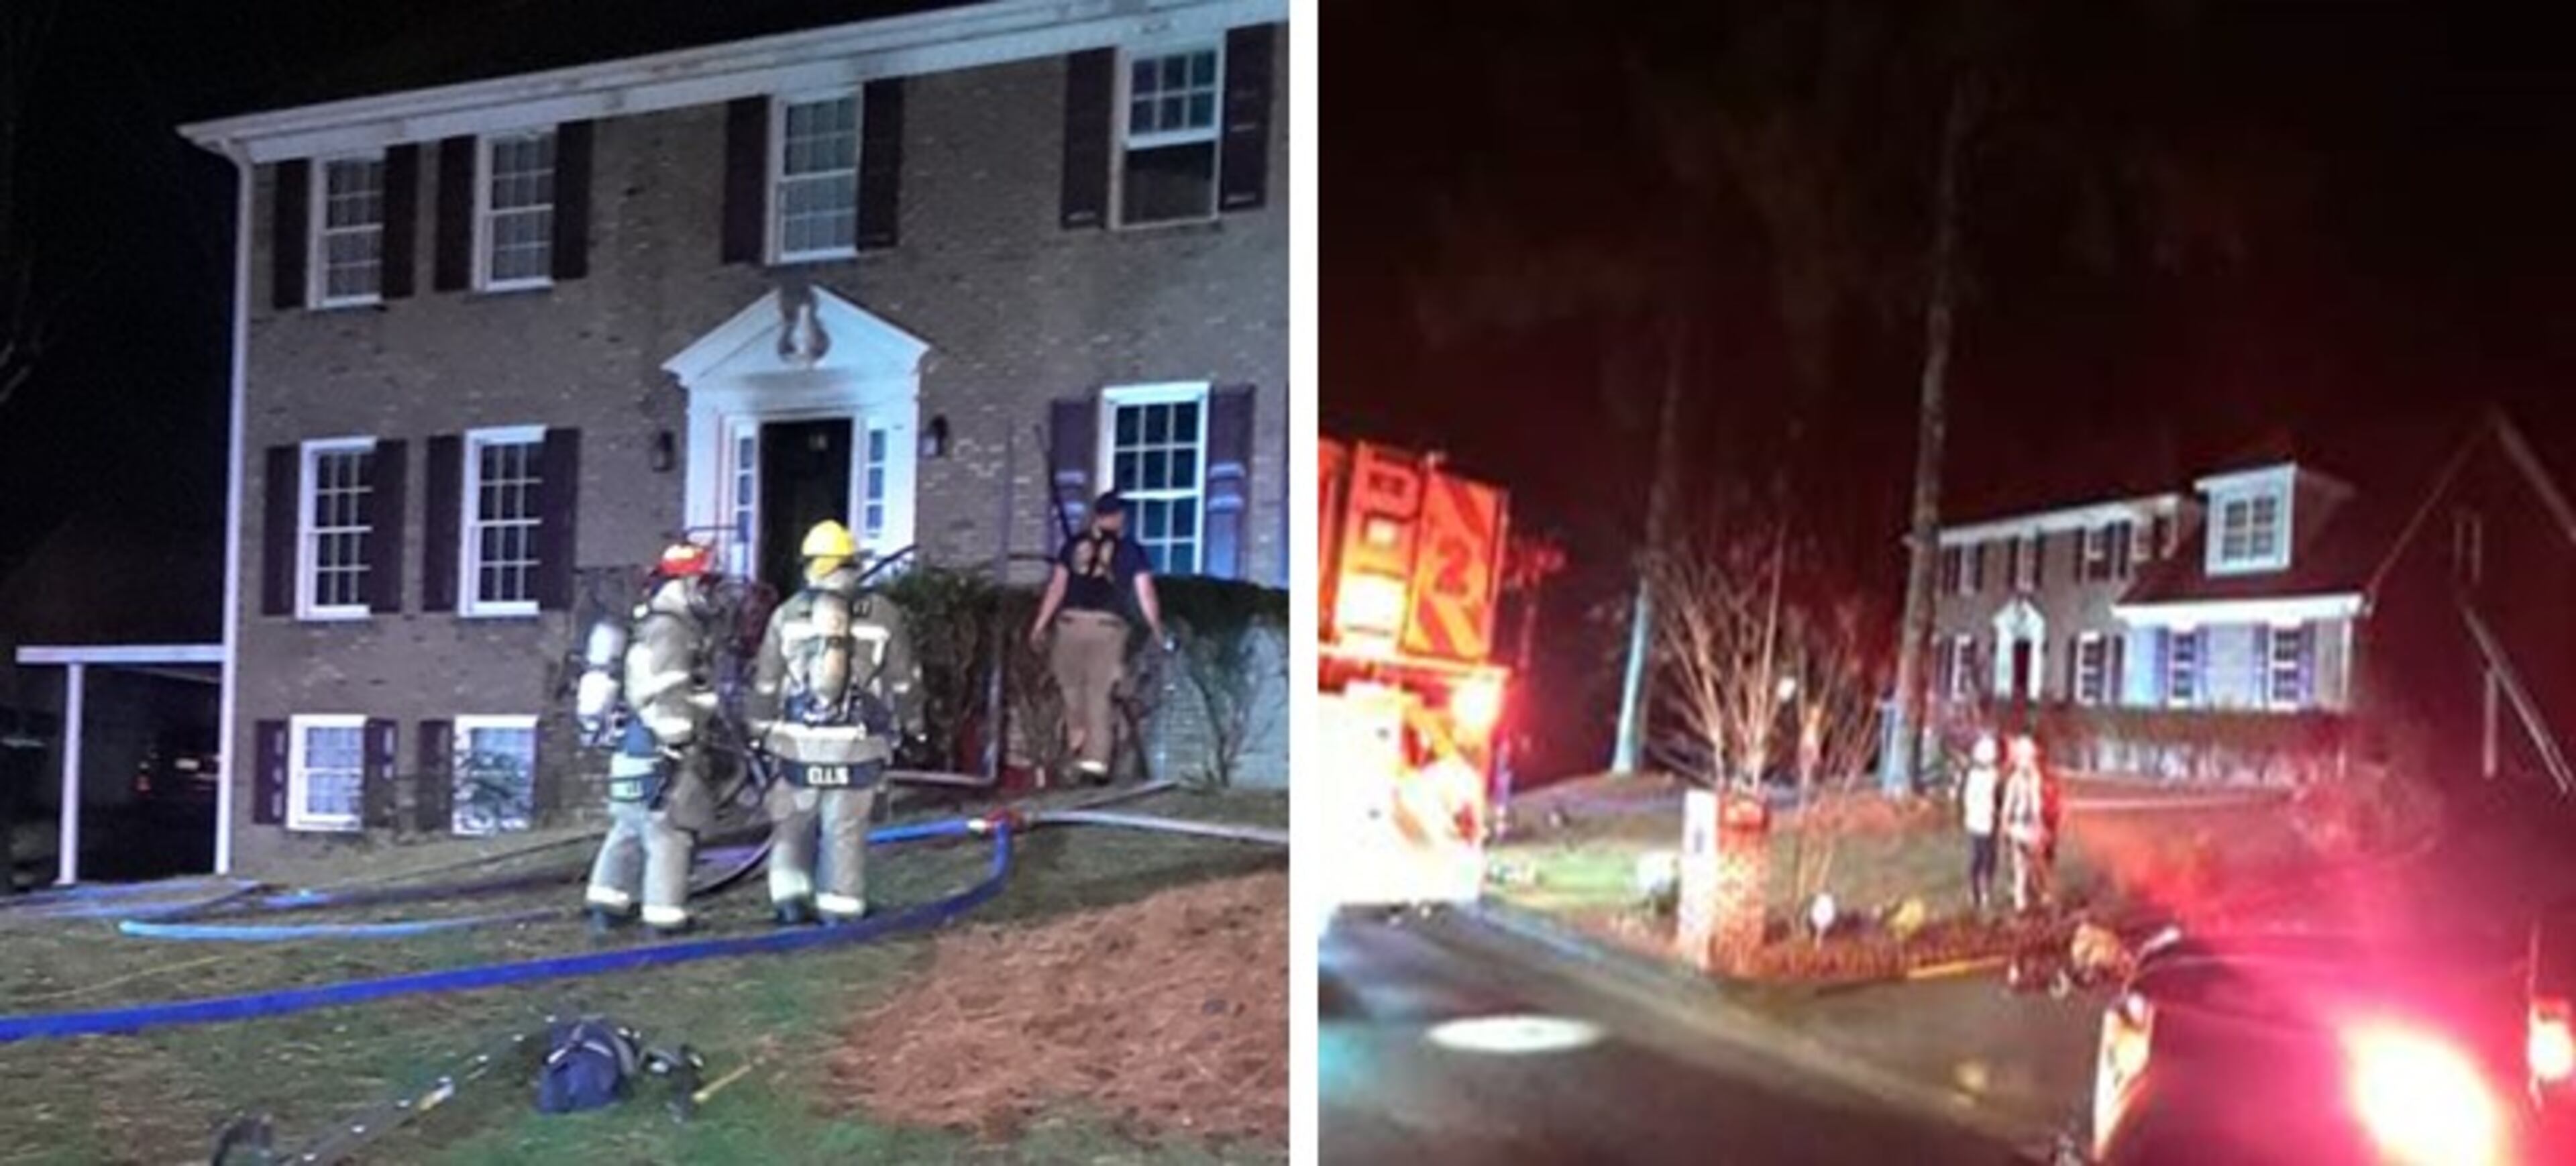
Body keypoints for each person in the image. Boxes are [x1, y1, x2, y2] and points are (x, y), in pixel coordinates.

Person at [753, 520, 921, 926]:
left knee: (793, 825)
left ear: (811, 565)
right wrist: (912, 723)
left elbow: (766, 681)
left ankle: (790, 902)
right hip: (857, 745)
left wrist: (759, 730)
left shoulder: (787, 614)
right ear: (852, 564)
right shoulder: (883, 613)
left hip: (796, 745)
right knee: (844, 829)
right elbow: (904, 679)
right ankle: (841, 909)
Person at [582, 541, 723, 937]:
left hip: (634, 739)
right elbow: (671, 688)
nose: (709, 592)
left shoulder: (651, 622)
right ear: (686, 581)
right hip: (662, 742)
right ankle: (665, 917)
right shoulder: (672, 629)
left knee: (629, 825)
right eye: (704, 582)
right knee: (670, 830)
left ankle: (606, 903)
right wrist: (678, 741)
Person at [1027, 491, 1165, 784]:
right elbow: (1145, 592)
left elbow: (1057, 588)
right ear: (1119, 518)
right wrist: (1156, 629)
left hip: (1069, 624)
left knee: (1070, 690)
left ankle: (1077, 742)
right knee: (1099, 694)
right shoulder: (1130, 550)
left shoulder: (1073, 545)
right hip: (1107, 627)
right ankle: (1094, 763)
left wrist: (1040, 625)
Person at [2000, 733, 2054, 912]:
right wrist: (2005, 824)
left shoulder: (2035, 778)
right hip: (2018, 825)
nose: (2028, 762)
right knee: (2019, 864)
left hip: (2031, 825)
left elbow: (2037, 803)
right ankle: (2020, 899)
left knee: (2037, 860)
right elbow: (2008, 804)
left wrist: (2039, 825)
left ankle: (2042, 893)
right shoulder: (2014, 780)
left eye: (2030, 758)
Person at [1961, 732, 2002, 914]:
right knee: (1980, 858)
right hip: (1978, 822)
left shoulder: (1992, 776)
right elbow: (1969, 800)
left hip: (1987, 822)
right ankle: (1977, 891)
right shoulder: (1975, 776)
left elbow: (1996, 798)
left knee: (1987, 858)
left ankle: (1984, 891)